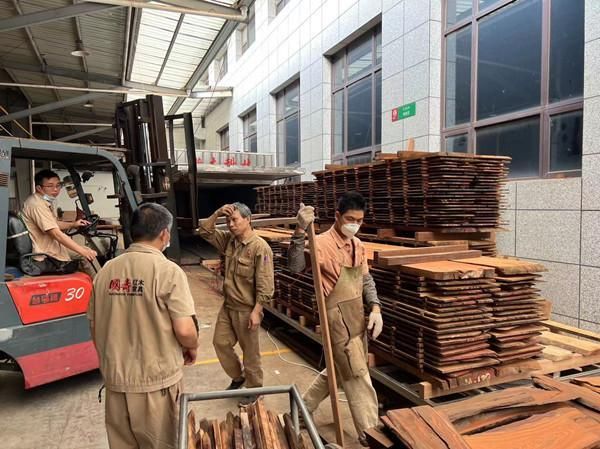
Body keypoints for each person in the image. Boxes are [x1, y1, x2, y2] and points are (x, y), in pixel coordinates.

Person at [87, 203, 198, 449]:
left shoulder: (105, 272)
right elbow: (185, 330)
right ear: (164, 234)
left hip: (116, 384)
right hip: (155, 385)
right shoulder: (168, 271)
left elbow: (94, 327)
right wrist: (192, 346)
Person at [288, 191, 383, 447]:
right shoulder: (320, 243)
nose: (355, 224)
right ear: (338, 216)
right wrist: (299, 231)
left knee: (338, 369)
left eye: (359, 220)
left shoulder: (358, 245)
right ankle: (371, 433)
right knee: (356, 374)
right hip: (336, 320)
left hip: (357, 318)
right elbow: (295, 267)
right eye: (350, 219)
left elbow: (365, 280)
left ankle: (301, 408)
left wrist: (375, 308)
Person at [197, 202, 274, 403]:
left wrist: (257, 311)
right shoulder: (229, 241)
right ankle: (239, 378)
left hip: (246, 310)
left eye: (234, 220)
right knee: (220, 343)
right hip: (228, 306)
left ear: (248, 220)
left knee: (250, 353)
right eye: (228, 220)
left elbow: (266, 285)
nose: (230, 224)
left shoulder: (260, 248)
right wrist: (217, 212)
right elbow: (204, 231)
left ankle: (255, 389)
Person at [21, 169, 97, 277]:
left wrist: (73, 224)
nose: (56, 189)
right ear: (39, 188)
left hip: (50, 245)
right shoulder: (37, 205)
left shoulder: (43, 201)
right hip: (45, 252)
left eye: (58, 185)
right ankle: (99, 285)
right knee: (86, 255)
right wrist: (82, 251)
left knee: (86, 250)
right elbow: (56, 234)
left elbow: (53, 223)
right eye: (50, 186)